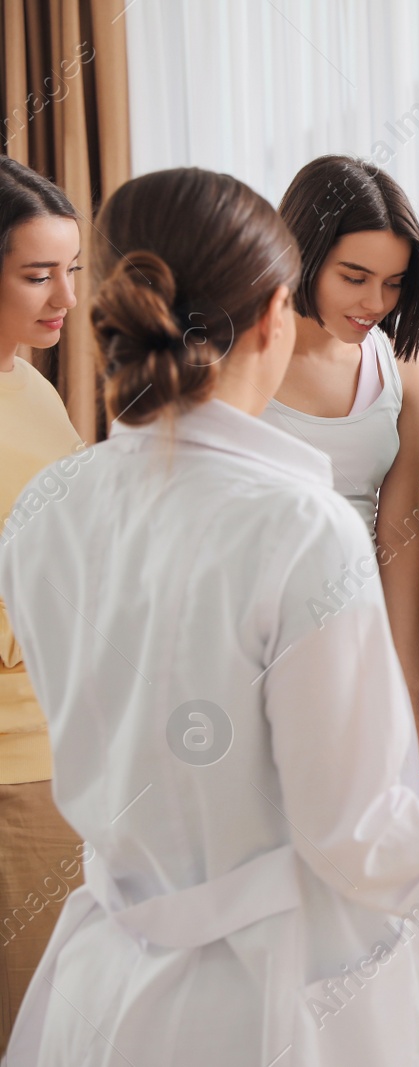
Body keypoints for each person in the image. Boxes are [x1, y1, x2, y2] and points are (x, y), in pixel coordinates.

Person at [0, 166, 419, 1067]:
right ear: (278, 314)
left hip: (100, 987)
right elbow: (362, 838)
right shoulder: (300, 526)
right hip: (265, 997)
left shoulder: (50, 510)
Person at [262, 155, 419, 781]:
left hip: (350, 634)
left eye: (394, 282)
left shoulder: (403, 367)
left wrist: (405, 688)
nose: (375, 302)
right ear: (301, 252)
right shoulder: (230, 353)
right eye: (354, 277)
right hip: (247, 635)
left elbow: (400, 533)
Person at [0, 156, 85, 1056]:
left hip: (59, 741)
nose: (63, 296)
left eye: (73, 269)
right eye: (37, 275)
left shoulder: (31, 383)